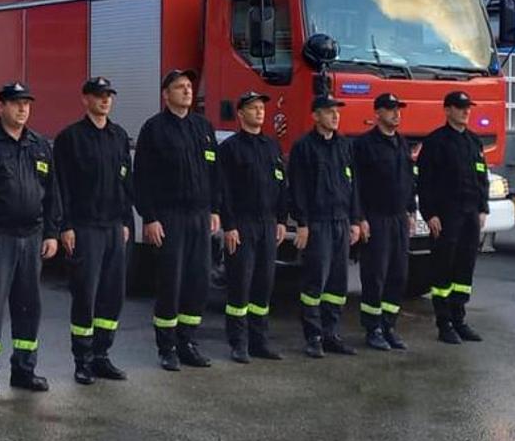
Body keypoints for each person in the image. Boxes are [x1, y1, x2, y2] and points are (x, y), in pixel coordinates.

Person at [0, 82, 60, 398]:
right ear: (0, 105)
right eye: (16, 103)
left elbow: (52, 193)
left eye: (27, 104)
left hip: (31, 238)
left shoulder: (39, 145)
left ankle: (24, 369)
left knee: (29, 307)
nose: (22, 109)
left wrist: (52, 233)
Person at [133, 68, 222, 371]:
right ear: (166, 94)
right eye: (180, 87)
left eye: (189, 85)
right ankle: (167, 347)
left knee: (198, 282)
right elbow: (142, 177)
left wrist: (214, 210)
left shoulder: (203, 128)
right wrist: (150, 218)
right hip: (169, 217)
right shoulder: (154, 129)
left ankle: (188, 342)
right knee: (171, 282)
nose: (187, 91)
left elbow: (214, 174)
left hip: (199, 216)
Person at [53, 76, 135, 385]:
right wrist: (67, 226)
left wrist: (127, 221)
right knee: (85, 295)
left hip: (114, 227)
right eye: (99, 95)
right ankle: (82, 360)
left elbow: (125, 182)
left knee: (112, 295)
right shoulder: (70, 138)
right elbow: (61, 186)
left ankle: (102, 356)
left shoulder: (118, 136)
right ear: (85, 99)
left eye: (109, 95)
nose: (105, 100)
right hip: (85, 228)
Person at [287, 94, 365, 358]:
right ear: (315, 116)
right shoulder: (304, 147)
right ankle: (314, 336)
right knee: (314, 283)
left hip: (341, 222)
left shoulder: (344, 146)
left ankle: (332, 334)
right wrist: (303, 223)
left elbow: (353, 186)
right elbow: (297, 188)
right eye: (329, 111)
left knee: (337, 284)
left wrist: (355, 220)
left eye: (337, 111)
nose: (335, 116)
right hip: (318, 224)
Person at [215, 91, 290, 363]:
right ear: (241, 114)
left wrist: (281, 219)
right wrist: (230, 226)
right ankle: (238, 343)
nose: (260, 112)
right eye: (253, 108)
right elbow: (223, 191)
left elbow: (281, 184)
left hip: (268, 224)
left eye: (261, 107)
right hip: (242, 225)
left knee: (263, 285)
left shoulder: (271, 146)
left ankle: (260, 341)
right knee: (240, 285)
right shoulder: (230, 149)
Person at [417, 90, 489, 345]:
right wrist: (430, 214)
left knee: (465, 268)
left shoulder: (473, 141)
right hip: (447, 215)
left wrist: (483, 208)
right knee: (444, 267)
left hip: (470, 214)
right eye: (460, 107)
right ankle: (444, 322)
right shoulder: (436, 142)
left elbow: (482, 177)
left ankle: (460, 319)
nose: (466, 111)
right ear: (447, 110)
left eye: (467, 107)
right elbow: (424, 182)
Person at [350, 92, 416, 351]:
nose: (396, 114)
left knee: (398, 275)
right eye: (390, 109)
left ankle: (389, 325)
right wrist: (361, 218)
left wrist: (411, 210)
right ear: (377, 113)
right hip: (375, 218)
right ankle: (372, 328)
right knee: (375, 274)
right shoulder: (364, 145)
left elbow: (409, 179)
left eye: (398, 109)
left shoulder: (401, 143)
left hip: (399, 218)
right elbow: (357, 185)